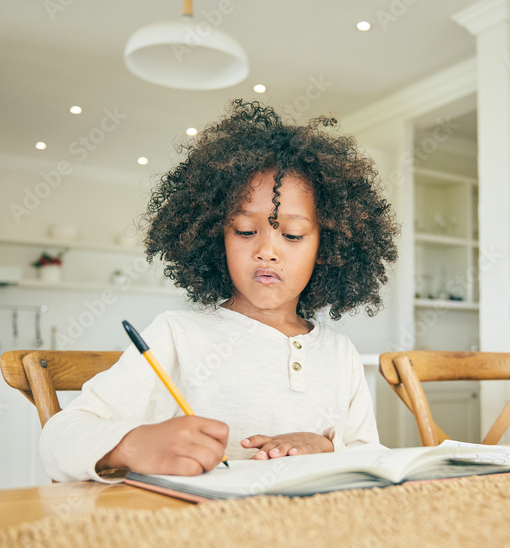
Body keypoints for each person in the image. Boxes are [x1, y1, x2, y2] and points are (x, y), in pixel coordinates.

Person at [40, 100, 400, 482]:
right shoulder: (177, 335)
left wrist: (326, 446)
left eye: (292, 235)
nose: (267, 251)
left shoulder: (339, 352)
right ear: (216, 239)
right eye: (245, 230)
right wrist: (132, 445)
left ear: (327, 248)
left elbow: (370, 457)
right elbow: (59, 439)